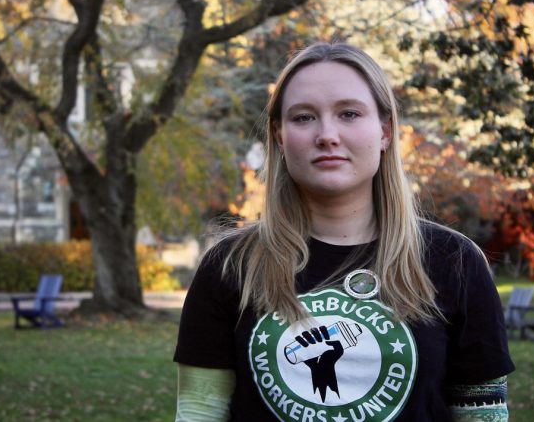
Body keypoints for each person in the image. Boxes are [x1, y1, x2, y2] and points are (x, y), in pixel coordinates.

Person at [174, 42, 515, 421]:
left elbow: (483, 413)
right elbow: (198, 411)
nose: (327, 135)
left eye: (349, 113)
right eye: (303, 118)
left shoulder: (455, 261)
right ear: (280, 136)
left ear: (385, 131)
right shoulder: (230, 265)